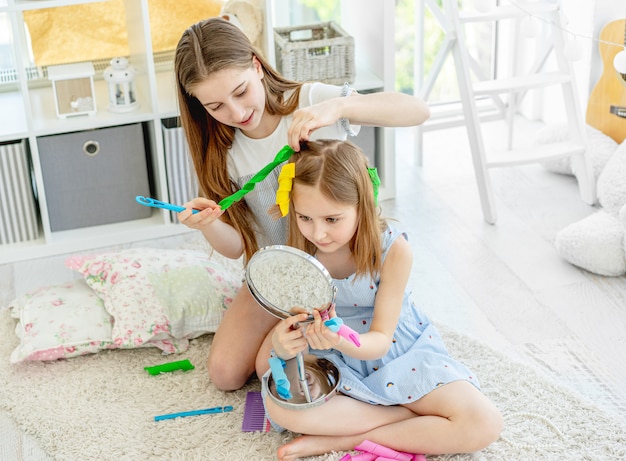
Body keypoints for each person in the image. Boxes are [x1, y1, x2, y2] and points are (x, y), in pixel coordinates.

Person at [173, 16, 431, 391]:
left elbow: (417, 111)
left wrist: (339, 108)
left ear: (257, 66)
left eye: (241, 92)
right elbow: (236, 248)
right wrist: (209, 224)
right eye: (216, 106)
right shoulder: (222, 150)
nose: (236, 113)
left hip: (338, 266)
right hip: (278, 273)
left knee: (286, 361)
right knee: (226, 375)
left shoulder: (310, 102)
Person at [262, 140, 503, 461]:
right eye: (305, 218)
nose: (318, 233)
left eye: (332, 220)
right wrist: (283, 343)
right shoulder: (299, 250)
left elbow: (379, 341)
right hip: (331, 357)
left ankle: (353, 437)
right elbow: (291, 325)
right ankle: (406, 420)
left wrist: (342, 340)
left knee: (484, 424)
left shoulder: (394, 250)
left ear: (362, 205)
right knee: (279, 406)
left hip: (389, 351)